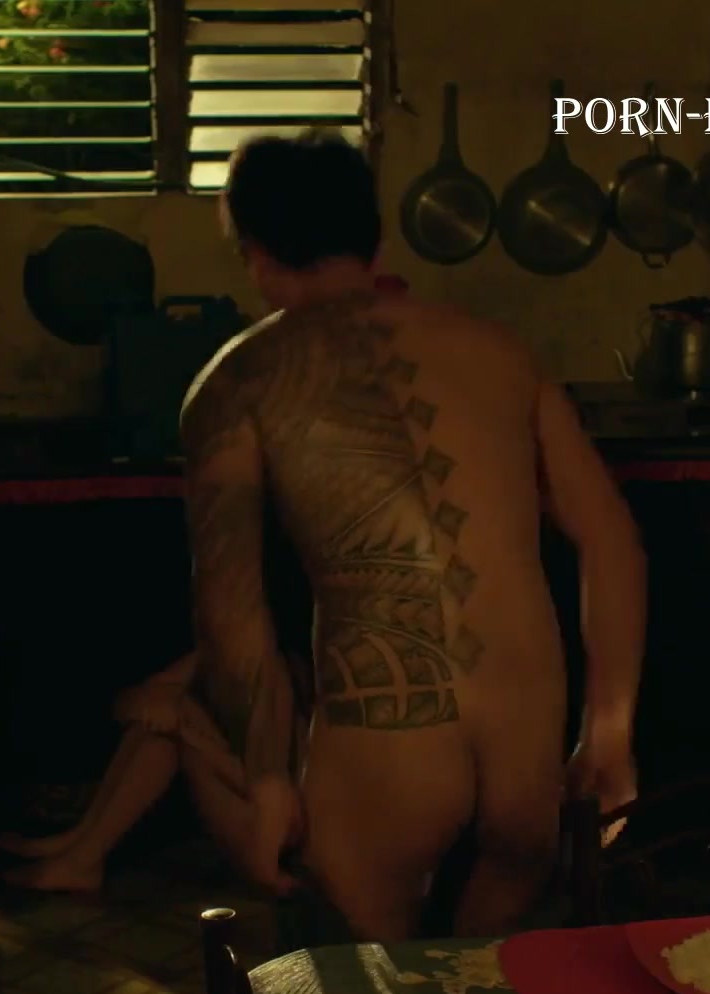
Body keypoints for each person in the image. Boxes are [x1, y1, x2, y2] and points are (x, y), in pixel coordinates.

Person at [175, 131, 646, 942]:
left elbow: (231, 611)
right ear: (374, 240)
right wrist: (609, 731)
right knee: (480, 987)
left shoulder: (238, 380)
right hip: (527, 749)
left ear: (256, 255)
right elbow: (612, 542)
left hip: (390, 750)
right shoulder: (501, 353)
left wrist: (267, 782)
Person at [0, 649, 312, 893]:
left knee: (176, 724)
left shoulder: (280, 674)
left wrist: (188, 730)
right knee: (160, 727)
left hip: (270, 837)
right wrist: (155, 707)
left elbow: (277, 800)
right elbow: (136, 700)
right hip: (243, 804)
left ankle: (81, 855)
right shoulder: (220, 650)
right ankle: (79, 845)